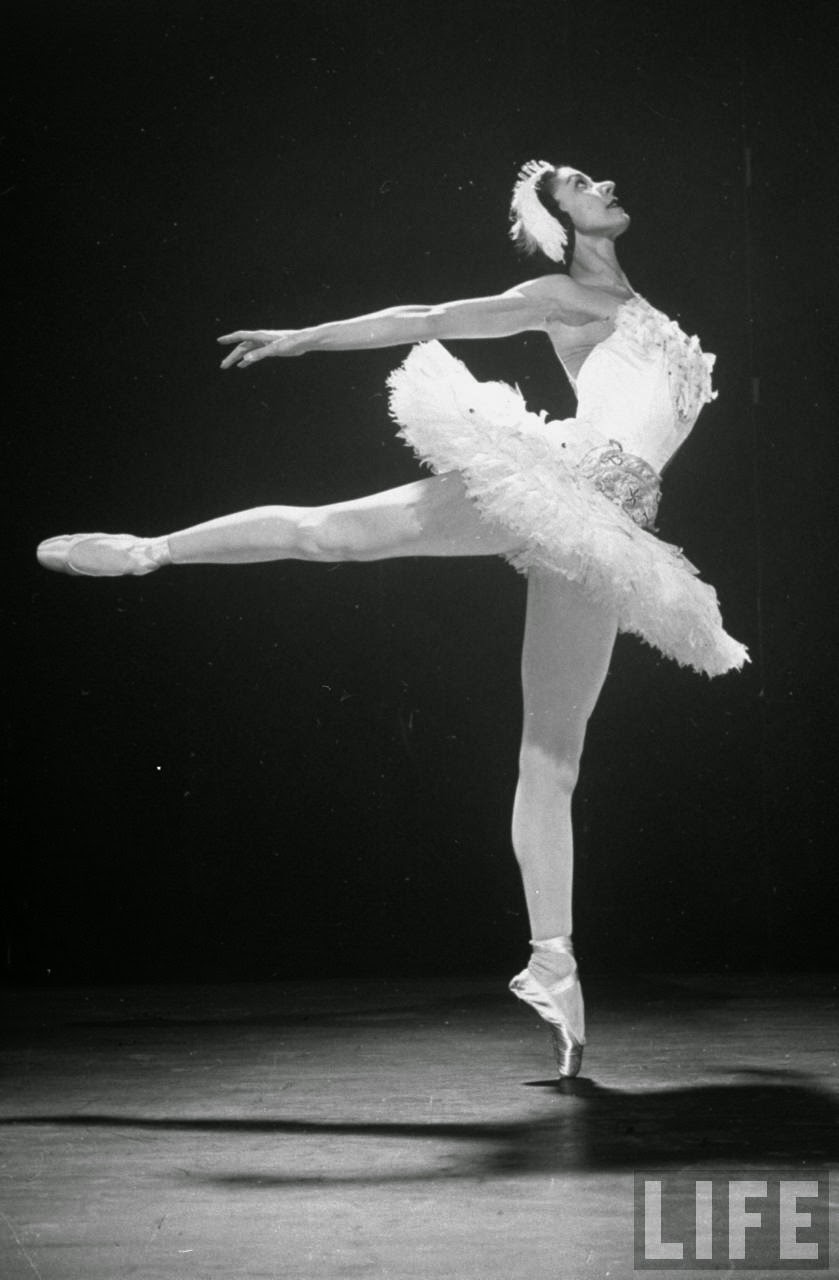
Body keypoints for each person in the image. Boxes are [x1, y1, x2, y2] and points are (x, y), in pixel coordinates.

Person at [36, 160, 748, 1077]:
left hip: (607, 532)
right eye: (577, 181)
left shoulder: (642, 307)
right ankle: (150, 549)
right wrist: (304, 337)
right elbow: (426, 320)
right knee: (331, 536)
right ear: (555, 215)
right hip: (561, 484)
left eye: (596, 174)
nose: (601, 181)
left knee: (553, 756)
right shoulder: (559, 293)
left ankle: (553, 963)